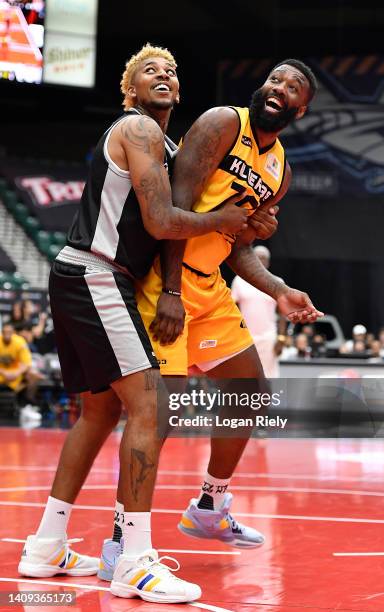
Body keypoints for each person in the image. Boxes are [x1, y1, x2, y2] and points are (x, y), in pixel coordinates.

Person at [18, 43, 249, 605]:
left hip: (86, 275)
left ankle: (46, 545)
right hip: (97, 272)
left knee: (98, 411)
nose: (164, 74)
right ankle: (136, 562)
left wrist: (242, 223)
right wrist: (225, 219)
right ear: (130, 88)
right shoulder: (138, 130)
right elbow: (163, 220)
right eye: (150, 70)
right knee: (151, 406)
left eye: (171, 69)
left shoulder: (168, 145)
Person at [124, 59, 323, 562]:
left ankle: (210, 506)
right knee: (158, 418)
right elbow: (176, 206)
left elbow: (234, 245)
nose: (280, 87)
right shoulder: (221, 123)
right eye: (275, 78)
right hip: (165, 284)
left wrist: (278, 288)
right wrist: (170, 291)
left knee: (249, 393)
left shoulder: (279, 171)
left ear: (301, 110)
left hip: (210, 288)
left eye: (293, 86)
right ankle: (122, 541)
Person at [231, 245, 283, 377]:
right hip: (245, 338)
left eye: (263, 258)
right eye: (257, 258)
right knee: (246, 376)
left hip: (268, 338)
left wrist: (281, 338)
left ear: (268, 262)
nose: (260, 261)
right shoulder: (239, 280)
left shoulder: (277, 282)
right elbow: (231, 308)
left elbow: (283, 312)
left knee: (269, 376)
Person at [0, 322, 32, 394]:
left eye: (9, 332)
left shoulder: (20, 342)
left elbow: (27, 363)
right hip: (1, 373)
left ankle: (25, 401)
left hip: (16, 374)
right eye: (5, 332)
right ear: (2, 332)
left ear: (13, 332)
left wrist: (16, 373)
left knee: (30, 374)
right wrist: (4, 372)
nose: (7, 334)